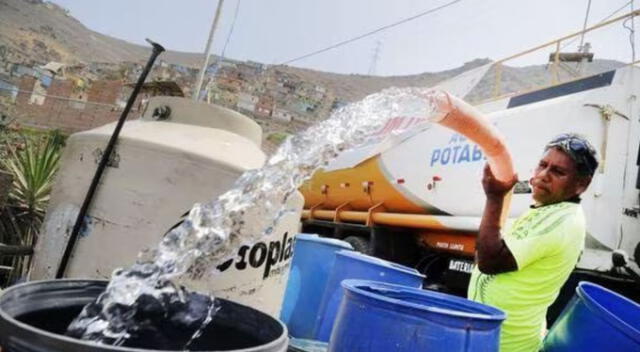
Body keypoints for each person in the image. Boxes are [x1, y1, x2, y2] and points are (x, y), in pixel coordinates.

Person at [467, 133, 599, 352]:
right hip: (487, 338)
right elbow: (485, 253)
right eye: (542, 165)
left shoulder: (561, 221)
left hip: (506, 345)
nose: (544, 175)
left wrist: (494, 197)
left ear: (581, 184)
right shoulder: (545, 210)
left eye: (558, 172)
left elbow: (489, 262)